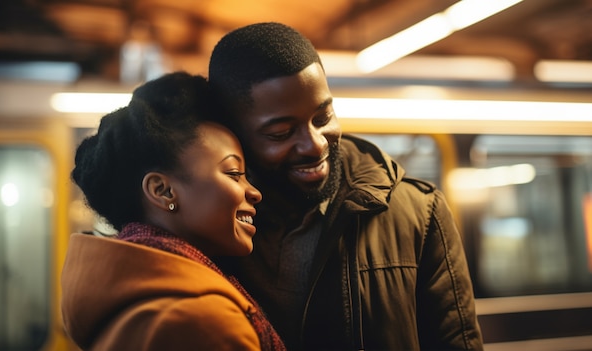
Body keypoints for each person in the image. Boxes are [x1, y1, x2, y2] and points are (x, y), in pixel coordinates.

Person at [207, 22, 484, 350]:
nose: (314, 145)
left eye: (322, 118)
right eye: (281, 133)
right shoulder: (208, 227)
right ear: (232, 134)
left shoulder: (420, 215)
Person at [60, 72, 286, 351]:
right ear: (162, 191)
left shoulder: (141, 298)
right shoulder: (203, 321)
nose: (254, 192)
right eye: (234, 173)